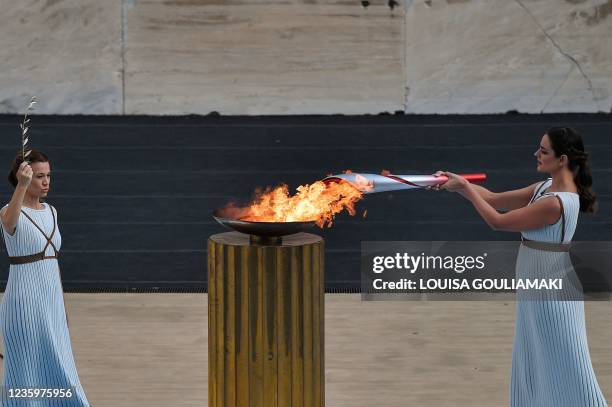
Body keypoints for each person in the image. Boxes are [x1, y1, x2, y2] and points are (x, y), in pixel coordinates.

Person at [432, 127, 608, 406]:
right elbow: (491, 198)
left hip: (552, 292)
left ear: (562, 159)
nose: (536, 154)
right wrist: (454, 183)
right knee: (535, 356)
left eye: (544, 150)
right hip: (536, 284)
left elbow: (498, 221)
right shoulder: (542, 189)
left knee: (565, 362)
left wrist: (465, 188)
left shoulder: (556, 204)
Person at [0, 150, 90, 406]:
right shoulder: (9, 211)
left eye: (48, 175)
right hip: (23, 305)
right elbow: (8, 223)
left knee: (61, 368)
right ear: (24, 177)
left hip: (51, 304)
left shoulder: (52, 211)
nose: (46, 181)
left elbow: (53, 261)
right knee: (25, 376)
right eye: (39, 176)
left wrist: (62, 305)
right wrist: (22, 186)